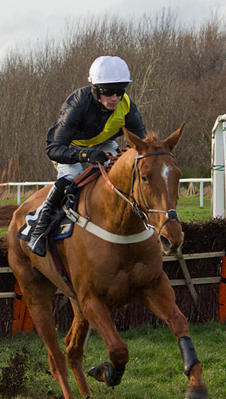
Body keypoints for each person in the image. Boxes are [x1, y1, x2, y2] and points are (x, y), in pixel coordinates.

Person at [27, 55, 147, 256]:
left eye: (120, 91)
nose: (115, 98)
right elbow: (53, 149)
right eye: (108, 92)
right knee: (71, 177)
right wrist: (85, 155)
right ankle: (40, 231)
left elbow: (142, 144)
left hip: (103, 144)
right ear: (95, 88)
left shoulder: (127, 107)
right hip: (71, 148)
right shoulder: (77, 104)